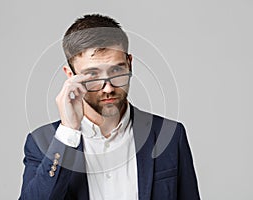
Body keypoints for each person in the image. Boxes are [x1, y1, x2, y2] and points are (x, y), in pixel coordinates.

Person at [19, 14, 200, 200]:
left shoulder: (169, 134)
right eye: (92, 75)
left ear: (129, 64)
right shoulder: (43, 143)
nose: (108, 88)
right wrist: (68, 133)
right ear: (70, 76)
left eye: (116, 70)